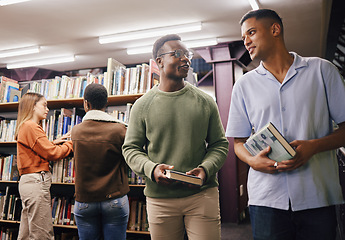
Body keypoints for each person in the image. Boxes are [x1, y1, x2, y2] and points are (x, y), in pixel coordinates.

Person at [226, 9, 345, 240]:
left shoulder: (322, 70)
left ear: (275, 29)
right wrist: (252, 160)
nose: (246, 41)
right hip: (267, 199)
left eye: (251, 32)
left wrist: (313, 146)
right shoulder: (244, 85)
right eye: (243, 37)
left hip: (318, 195)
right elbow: (238, 142)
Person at [122, 34, 229, 240]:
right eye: (178, 54)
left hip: (202, 194)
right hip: (160, 200)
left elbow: (219, 144)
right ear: (159, 61)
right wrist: (151, 169)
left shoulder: (205, 102)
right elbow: (131, 149)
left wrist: (206, 170)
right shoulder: (142, 106)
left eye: (187, 54)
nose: (186, 59)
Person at [71, 83, 130, 240]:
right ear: (106, 104)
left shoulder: (75, 131)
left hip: (84, 201)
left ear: (86, 103)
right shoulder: (120, 130)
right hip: (114, 198)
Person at [15, 92, 73, 240]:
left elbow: (37, 150)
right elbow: (52, 154)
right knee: (42, 234)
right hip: (36, 182)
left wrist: (53, 141)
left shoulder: (26, 126)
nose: (47, 109)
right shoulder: (31, 126)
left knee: (27, 233)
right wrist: (71, 144)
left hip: (28, 182)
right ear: (33, 107)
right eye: (44, 105)